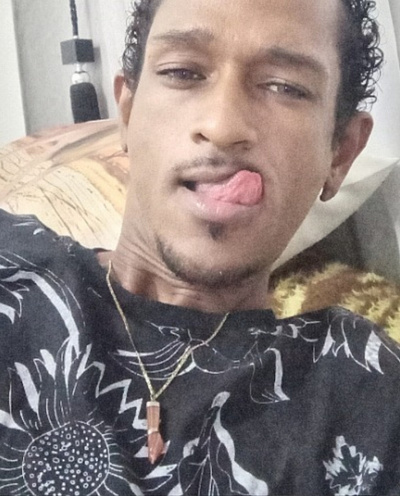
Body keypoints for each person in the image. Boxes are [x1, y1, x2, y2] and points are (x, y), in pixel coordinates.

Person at [0, 0, 397, 494]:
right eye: (182, 72)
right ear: (128, 114)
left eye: (285, 86)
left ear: (340, 154)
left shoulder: (365, 390)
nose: (223, 126)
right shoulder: (12, 268)